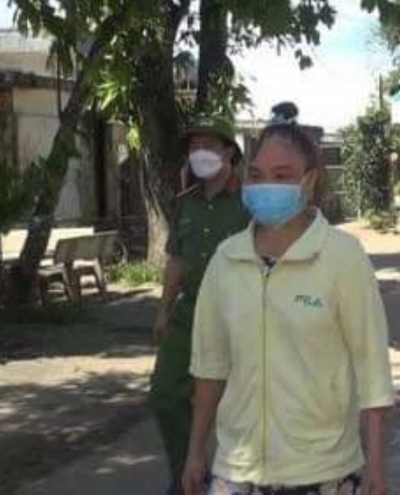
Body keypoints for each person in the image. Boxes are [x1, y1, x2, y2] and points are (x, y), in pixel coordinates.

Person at [181, 104, 395, 495]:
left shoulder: (342, 258)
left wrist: (376, 464)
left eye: (282, 176)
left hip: (323, 470)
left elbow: (372, 368)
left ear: (308, 181)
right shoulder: (226, 260)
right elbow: (209, 367)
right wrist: (196, 451)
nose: (267, 186)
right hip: (236, 469)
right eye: (257, 175)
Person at [150, 113, 251, 495]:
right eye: (194, 146)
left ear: (229, 152)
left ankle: (235, 479)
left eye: (209, 144)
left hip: (238, 313)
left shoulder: (248, 202)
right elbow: (176, 259)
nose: (200, 152)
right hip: (190, 312)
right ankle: (187, 477)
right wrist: (164, 310)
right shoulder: (186, 203)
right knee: (165, 396)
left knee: (238, 404)